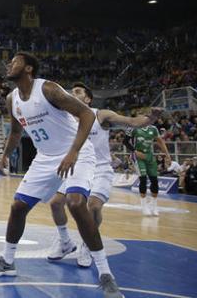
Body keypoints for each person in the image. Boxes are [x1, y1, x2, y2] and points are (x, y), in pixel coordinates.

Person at [0, 53, 123, 298]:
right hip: (45, 158)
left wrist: (74, 151)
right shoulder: (11, 99)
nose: (8, 65)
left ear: (28, 68)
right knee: (18, 206)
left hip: (75, 152)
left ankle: (105, 274)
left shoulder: (48, 89)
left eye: (13, 62)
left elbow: (87, 114)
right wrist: (4, 156)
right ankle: (8, 260)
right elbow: (16, 132)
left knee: (76, 203)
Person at [47, 82, 161, 267]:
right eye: (71, 92)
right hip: (76, 168)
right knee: (55, 203)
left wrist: (150, 118)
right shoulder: (64, 117)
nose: (72, 94)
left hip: (99, 169)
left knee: (92, 206)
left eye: (77, 92)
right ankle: (65, 242)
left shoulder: (100, 114)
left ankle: (87, 244)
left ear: (88, 98)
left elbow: (131, 122)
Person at [125, 122, 171, 215]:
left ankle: (154, 205)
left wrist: (167, 155)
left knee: (154, 180)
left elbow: (160, 141)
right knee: (143, 179)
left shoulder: (153, 128)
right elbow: (125, 141)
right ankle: (144, 206)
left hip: (149, 156)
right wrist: (135, 151)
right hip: (138, 156)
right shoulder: (133, 127)